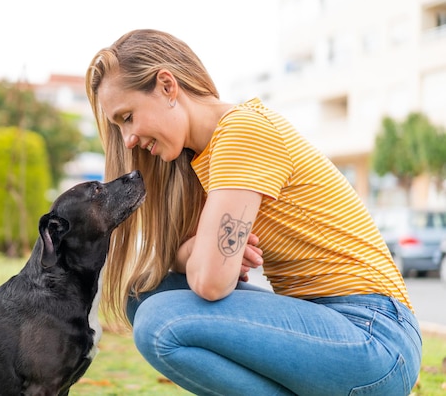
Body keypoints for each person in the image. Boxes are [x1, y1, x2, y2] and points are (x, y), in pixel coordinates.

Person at [85, 29, 421, 396]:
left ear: (167, 86)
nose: (128, 139)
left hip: (375, 338)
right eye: (119, 127)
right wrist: (198, 250)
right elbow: (194, 264)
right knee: (143, 296)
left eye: (128, 117)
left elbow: (211, 282)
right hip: (334, 330)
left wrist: (207, 257)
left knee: (159, 324)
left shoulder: (242, 131)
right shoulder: (203, 159)